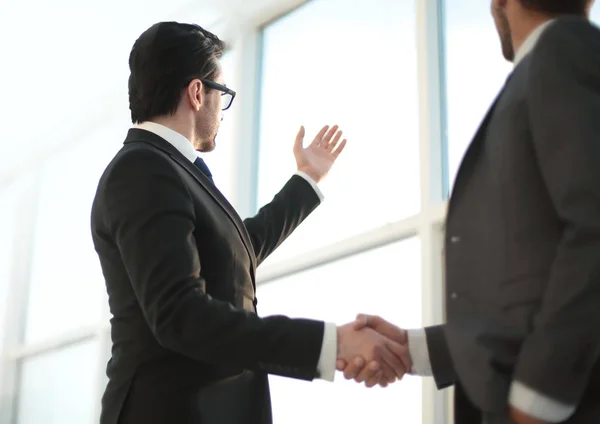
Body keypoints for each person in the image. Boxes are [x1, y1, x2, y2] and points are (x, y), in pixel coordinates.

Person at [91, 22, 409, 424]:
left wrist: (306, 180)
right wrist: (332, 343)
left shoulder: (168, 170)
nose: (221, 111)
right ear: (196, 92)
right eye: (221, 95)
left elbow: (234, 252)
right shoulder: (142, 170)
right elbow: (180, 315)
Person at [339, 0, 600, 423]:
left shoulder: (563, 49)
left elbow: (593, 229)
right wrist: (413, 348)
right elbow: (527, 292)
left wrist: (538, 399)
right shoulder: (553, 65)